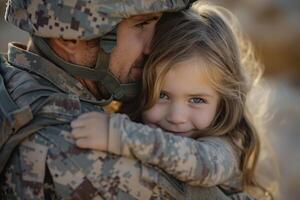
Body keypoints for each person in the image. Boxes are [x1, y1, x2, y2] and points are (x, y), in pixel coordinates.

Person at [0, 0, 255, 199]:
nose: (154, 46)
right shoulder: (78, 152)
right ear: (70, 36)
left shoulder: (13, 80)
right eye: (141, 24)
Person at [71, 3, 272, 200]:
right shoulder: (134, 120)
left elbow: (201, 164)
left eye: (197, 100)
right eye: (162, 95)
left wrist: (119, 135)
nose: (176, 117)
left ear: (222, 103)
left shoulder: (224, 147)